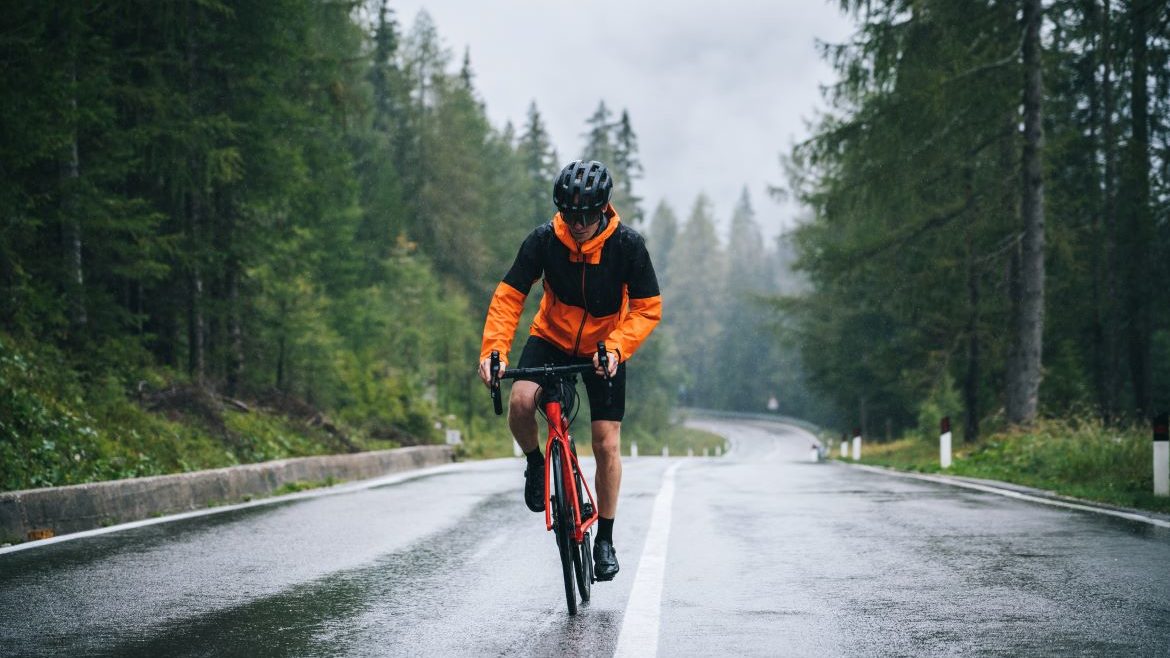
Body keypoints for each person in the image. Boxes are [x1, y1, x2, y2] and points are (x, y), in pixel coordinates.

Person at [478, 159, 662, 581]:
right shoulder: (544, 240)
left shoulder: (627, 246)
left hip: (605, 347)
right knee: (522, 402)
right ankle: (535, 463)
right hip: (552, 338)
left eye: (586, 216)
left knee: (605, 443)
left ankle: (606, 539)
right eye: (569, 215)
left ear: (603, 210)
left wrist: (616, 348)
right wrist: (494, 352)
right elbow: (509, 297)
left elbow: (648, 308)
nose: (577, 224)